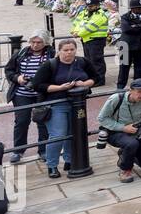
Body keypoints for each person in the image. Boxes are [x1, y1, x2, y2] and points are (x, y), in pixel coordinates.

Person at [32, 38, 99, 179]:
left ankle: (69, 161)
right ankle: (52, 165)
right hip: (56, 103)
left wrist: (85, 83)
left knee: (73, 133)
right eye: (66, 50)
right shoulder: (50, 65)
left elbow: (96, 77)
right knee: (58, 135)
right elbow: (37, 85)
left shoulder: (82, 62)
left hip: (78, 104)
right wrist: (60, 88)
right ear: (59, 51)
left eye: (72, 50)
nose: (69, 53)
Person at [3, 30, 53, 164]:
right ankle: (18, 150)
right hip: (21, 94)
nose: (35, 45)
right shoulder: (21, 53)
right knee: (21, 121)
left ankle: (43, 150)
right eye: (33, 42)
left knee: (42, 121)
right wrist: (17, 77)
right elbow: (9, 70)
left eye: (39, 42)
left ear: (46, 42)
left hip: (42, 93)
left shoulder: (51, 54)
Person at [97, 79, 141, 183]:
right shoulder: (116, 99)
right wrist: (123, 128)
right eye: (139, 91)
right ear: (130, 90)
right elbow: (102, 118)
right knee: (131, 144)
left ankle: (126, 154)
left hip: (137, 132)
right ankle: (125, 169)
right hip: (116, 132)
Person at [72, 0, 111, 87]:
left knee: (97, 60)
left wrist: (79, 33)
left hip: (96, 40)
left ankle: (99, 80)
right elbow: (77, 21)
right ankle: (92, 78)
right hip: (86, 39)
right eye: (88, 6)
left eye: (91, 6)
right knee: (88, 60)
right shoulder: (85, 12)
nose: (89, 8)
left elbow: (90, 27)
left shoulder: (100, 15)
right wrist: (75, 31)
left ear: (97, 5)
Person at [115, 0, 141, 89]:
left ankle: (138, 85)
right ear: (132, 9)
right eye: (138, 8)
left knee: (139, 68)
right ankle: (120, 87)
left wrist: (136, 26)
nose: (140, 10)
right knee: (123, 67)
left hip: (140, 46)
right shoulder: (125, 17)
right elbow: (126, 29)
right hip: (125, 45)